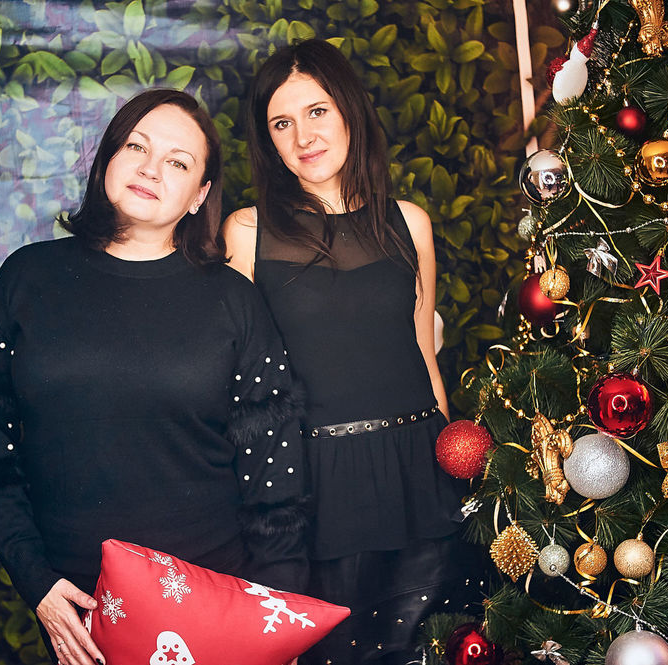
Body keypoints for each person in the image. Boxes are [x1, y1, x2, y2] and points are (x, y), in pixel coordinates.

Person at [0, 89, 308, 665]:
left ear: (200, 196)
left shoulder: (233, 299)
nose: (150, 168)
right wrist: (36, 582)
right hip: (81, 608)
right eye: (136, 147)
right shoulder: (27, 277)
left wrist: (279, 618)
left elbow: (275, 474)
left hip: (214, 598)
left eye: (178, 162)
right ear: (107, 161)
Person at [224, 40, 479, 665]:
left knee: (439, 650)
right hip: (320, 488)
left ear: (349, 112)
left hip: (421, 473)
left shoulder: (410, 223)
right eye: (281, 123)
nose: (303, 136)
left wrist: (454, 472)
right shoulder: (247, 232)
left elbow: (422, 354)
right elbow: (240, 388)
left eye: (317, 112)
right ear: (268, 141)